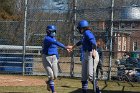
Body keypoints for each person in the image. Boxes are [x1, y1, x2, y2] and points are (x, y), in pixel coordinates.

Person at [69, 20, 99, 93]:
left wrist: (94, 51)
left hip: (91, 54)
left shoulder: (87, 33)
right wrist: (72, 47)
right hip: (86, 55)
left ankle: (98, 91)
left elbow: (93, 42)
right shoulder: (85, 35)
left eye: (79, 28)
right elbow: (81, 42)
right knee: (84, 76)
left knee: (91, 76)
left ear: (82, 28)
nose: (79, 30)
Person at [42, 25, 71, 93]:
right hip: (46, 57)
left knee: (55, 76)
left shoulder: (53, 38)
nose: (54, 33)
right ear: (48, 32)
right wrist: (65, 47)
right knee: (51, 74)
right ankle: (53, 91)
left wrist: (57, 57)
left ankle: (48, 82)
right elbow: (56, 43)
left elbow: (55, 48)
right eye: (52, 31)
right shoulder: (47, 38)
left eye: (55, 31)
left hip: (54, 58)